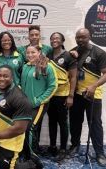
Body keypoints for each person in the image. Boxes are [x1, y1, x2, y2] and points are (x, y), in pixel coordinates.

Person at [68, 28, 106, 167]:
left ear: (89, 37)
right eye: (78, 37)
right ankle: (75, 146)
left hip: (93, 95)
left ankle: (99, 153)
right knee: (75, 121)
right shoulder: (73, 51)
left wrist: (94, 86)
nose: (80, 40)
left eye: (83, 37)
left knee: (95, 123)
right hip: (77, 94)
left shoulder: (99, 53)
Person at [20, 45, 58, 168]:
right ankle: (29, 152)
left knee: (29, 128)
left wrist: (39, 100)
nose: (30, 55)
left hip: (38, 105)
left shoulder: (46, 66)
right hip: (25, 104)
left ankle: (32, 157)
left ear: (39, 52)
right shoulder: (26, 66)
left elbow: (53, 86)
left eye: (33, 52)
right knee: (28, 129)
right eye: (28, 53)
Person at [41, 32, 77, 162]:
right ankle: (52, 147)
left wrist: (71, 96)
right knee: (51, 121)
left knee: (62, 122)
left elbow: (73, 77)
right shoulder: (48, 55)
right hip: (50, 94)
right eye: (52, 38)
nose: (54, 40)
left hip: (63, 95)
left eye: (57, 38)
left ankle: (63, 149)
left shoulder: (69, 56)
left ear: (62, 41)